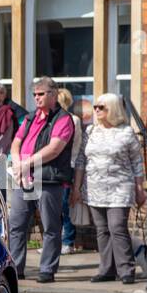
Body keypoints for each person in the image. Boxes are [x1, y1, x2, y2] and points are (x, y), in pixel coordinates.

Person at [9, 75, 74, 284]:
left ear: (53, 94)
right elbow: (16, 142)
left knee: (50, 227)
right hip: (24, 178)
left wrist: (26, 164)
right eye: (34, 94)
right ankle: (16, 268)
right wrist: (18, 163)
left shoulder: (63, 119)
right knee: (16, 225)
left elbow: (54, 149)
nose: (36, 98)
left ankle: (47, 269)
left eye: (41, 94)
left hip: (48, 179)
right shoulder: (30, 118)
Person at [76, 93, 144, 285]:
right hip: (95, 186)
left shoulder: (126, 132)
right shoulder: (90, 131)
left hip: (120, 187)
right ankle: (106, 269)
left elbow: (137, 162)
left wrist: (140, 189)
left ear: (112, 109)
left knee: (117, 227)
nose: (96, 110)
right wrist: (77, 186)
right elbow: (81, 159)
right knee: (102, 229)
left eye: (101, 107)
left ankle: (126, 269)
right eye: (96, 107)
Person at [57, 88, 85, 256]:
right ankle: (56, 242)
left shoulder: (72, 119)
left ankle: (68, 241)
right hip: (52, 168)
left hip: (68, 166)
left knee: (65, 206)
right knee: (53, 208)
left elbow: (75, 145)